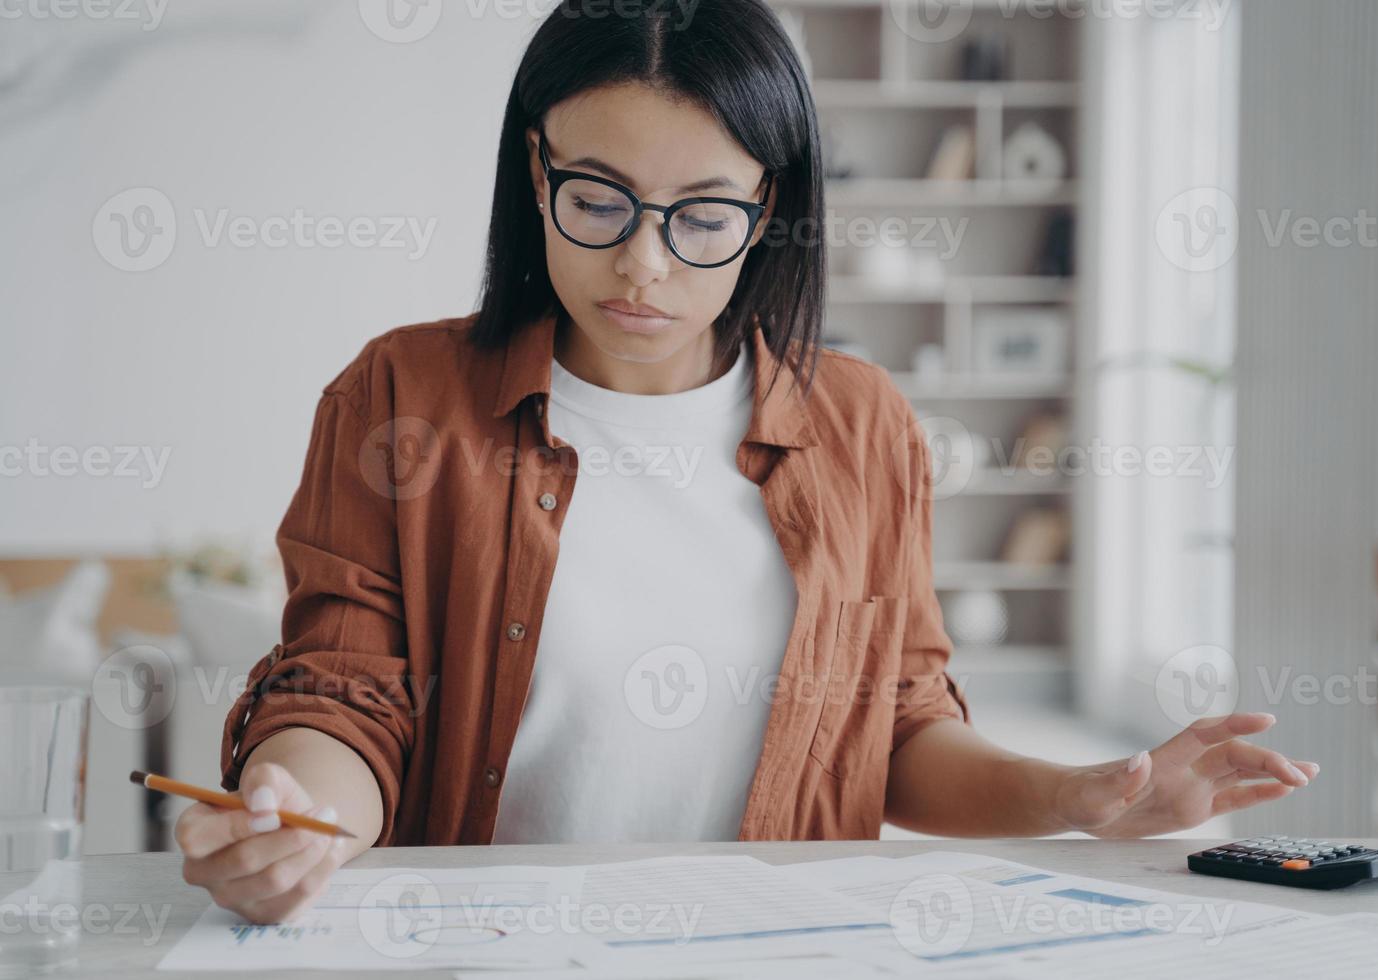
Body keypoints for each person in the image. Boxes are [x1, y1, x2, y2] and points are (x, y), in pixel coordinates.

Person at [174, 0, 1317, 925]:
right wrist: (290, 806)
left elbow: (899, 730)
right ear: (536, 168)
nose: (643, 264)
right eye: (598, 199)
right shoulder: (401, 398)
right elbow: (346, 690)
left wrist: (1078, 797)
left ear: (769, 206)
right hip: (479, 950)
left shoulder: (863, 424)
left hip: (777, 949)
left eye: (702, 216)